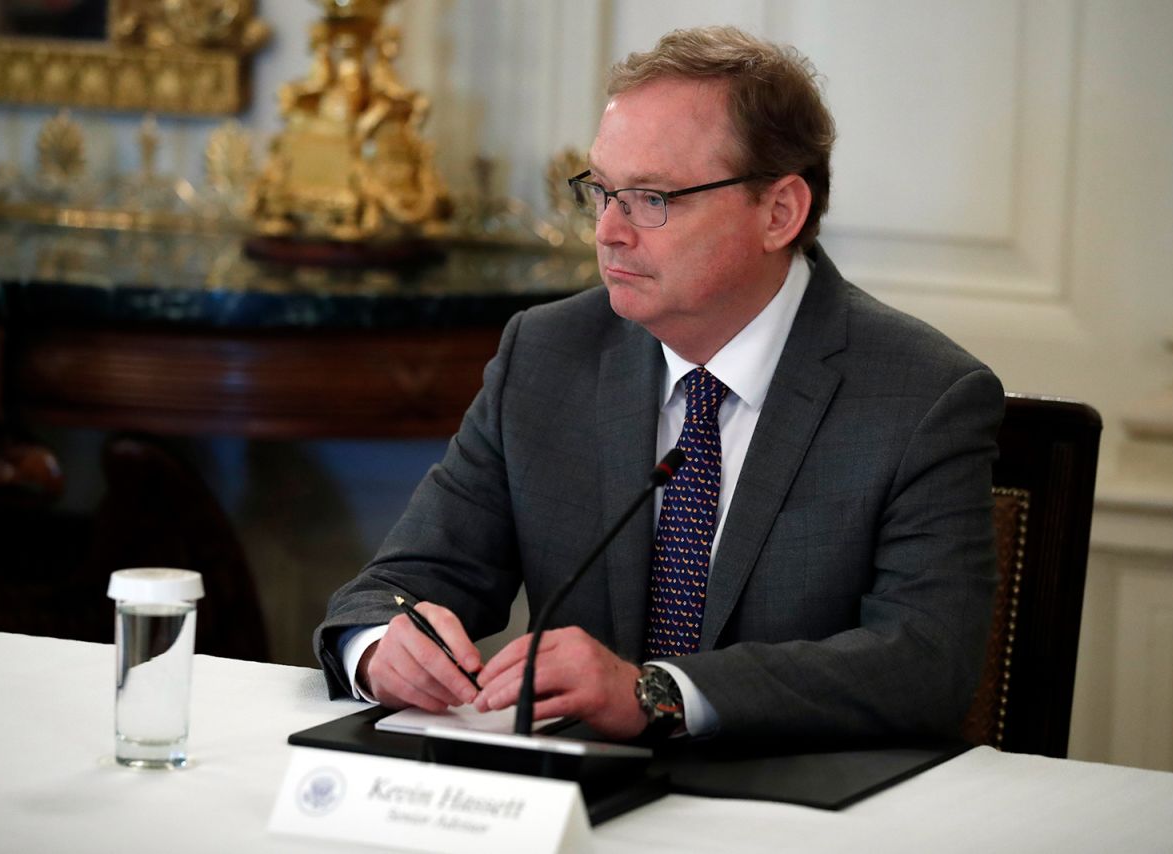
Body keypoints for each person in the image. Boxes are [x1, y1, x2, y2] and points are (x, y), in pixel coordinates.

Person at [316, 25, 1004, 744]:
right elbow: (400, 582)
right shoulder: (548, 354)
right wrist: (379, 649)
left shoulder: (923, 396)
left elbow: (926, 664)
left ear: (780, 213)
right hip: (573, 805)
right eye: (601, 191)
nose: (608, 231)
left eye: (651, 199)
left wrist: (659, 695)